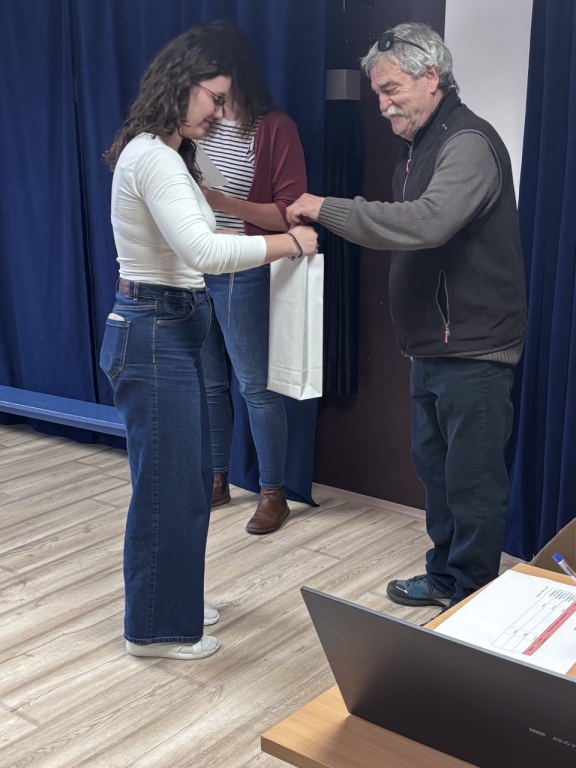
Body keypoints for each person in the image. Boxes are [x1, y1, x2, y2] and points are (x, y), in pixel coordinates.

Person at [287, 22, 526, 609]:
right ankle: (445, 579)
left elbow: (427, 223)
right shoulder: (419, 145)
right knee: (438, 475)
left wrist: (328, 208)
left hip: (474, 349)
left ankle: (470, 599)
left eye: (391, 89)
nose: (382, 103)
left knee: (471, 484)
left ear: (431, 77)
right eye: (377, 92)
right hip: (433, 347)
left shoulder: (467, 143)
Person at [100, 28, 317, 660]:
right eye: (215, 99)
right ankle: (155, 630)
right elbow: (204, 250)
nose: (220, 113)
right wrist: (289, 243)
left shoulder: (167, 154)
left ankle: (170, 601)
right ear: (182, 84)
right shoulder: (155, 157)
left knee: (185, 482)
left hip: (169, 322)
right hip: (155, 328)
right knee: (167, 489)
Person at [197, 20, 307, 535]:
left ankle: (272, 492)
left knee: (255, 386)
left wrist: (218, 200)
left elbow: (289, 213)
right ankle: (217, 478)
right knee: (209, 383)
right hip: (194, 266)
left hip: (242, 267)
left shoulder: (273, 127)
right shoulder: (195, 127)